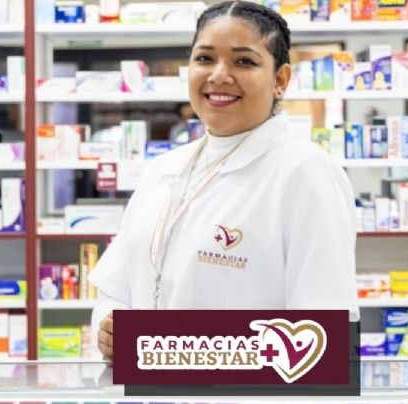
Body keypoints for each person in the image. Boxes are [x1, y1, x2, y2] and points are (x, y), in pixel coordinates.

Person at [89, 0, 358, 361]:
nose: (218, 75)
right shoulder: (163, 170)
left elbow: (324, 334)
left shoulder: (305, 172)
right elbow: (114, 290)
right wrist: (110, 327)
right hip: (145, 383)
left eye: (243, 61)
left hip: (251, 390)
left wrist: (168, 348)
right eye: (204, 58)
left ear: (280, 80)